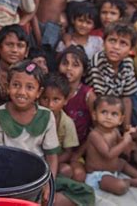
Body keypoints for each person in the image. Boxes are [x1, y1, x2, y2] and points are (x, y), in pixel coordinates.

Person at [0, 60, 60, 205]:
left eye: (30, 87)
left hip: (37, 176)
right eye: (16, 85)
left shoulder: (46, 115)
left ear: (39, 92)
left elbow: (51, 156)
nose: (21, 92)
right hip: (6, 176)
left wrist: (49, 183)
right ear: (8, 87)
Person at [85, 96, 137, 195]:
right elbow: (108, 155)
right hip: (99, 174)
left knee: (122, 163)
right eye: (104, 112)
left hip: (113, 169)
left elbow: (122, 148)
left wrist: (127, 136)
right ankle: (128, 182)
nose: (108, 117)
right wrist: (125, 142)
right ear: (94, 115)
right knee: (120, 187)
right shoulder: (95, 135)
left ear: (121, 120)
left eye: (114, 114)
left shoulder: (115, 131)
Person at [86, 22, 137, 128]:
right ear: (103, 43)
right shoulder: (97, 61)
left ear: (131, 49)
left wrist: (126, 127)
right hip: (97, 109)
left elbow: (127, 98)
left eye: (123, 43)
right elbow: (100, 98)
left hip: (115, 109)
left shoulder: (128, 63)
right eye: (112, 41)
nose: (116, 47)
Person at [58, 45, 96, 182]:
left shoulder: (88, 95)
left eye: (75, 65)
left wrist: (78, 153)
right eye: (65, 63)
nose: (68, 68)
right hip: (55, 149)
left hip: (77, 149)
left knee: (79, 175)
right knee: (63, 171)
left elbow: (96, 129)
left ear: (84, 72)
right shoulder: (52, 91)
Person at [39, 73, 79, 178]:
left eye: (56, 99)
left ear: (65, 100)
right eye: (45, 98)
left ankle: (52, 189)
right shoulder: (34, 118)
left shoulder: (67, 123)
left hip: (55, 161)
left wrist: (51, 164)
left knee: (66, 170)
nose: (50, 105)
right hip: (36, 159)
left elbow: (68, 152)